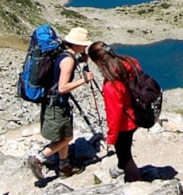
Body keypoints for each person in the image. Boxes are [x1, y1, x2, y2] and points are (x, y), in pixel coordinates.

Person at [27, 27, 93, 180]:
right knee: (67, 138)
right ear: (76, 44)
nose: (85, 47)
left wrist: (80, 59)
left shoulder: (63, 54)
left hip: (53, 102)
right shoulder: (68, 60)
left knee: (64, 135)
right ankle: (39, 159)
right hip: (57, 104)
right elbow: (62, 87)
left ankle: (64, 166)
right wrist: (84, 80)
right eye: (83, 44)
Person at [88, 41, 142, 182]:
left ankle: (135, 184)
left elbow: (114, 114)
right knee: (126, 150)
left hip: (125, 124)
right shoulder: (130, 61)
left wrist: (111, 137)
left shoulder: (111, 84)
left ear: (99, 62)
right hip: (136, 113)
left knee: (125, 156)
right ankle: (120, 167)